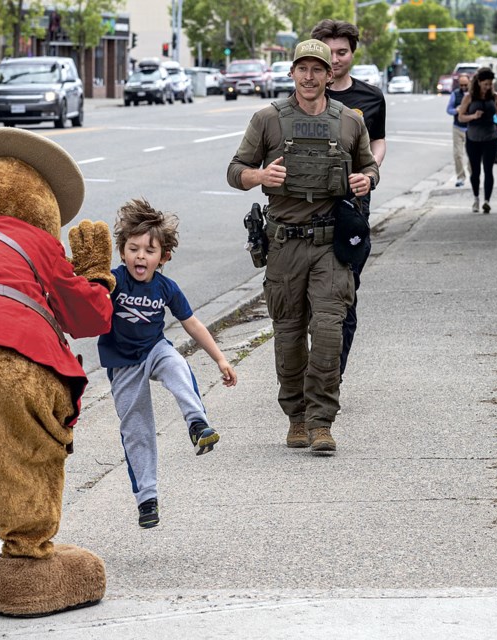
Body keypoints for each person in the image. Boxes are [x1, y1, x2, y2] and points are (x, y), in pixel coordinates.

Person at [226, 39, 378, 453]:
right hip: (284, 245)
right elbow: (234, 170)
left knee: (328, 332)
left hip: (330, 244)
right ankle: (295, 416)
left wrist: (367, 180)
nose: (309, 77)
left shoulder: (349, 121)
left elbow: (368, 166)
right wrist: (259, 178)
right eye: (301, 69)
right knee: (289, 336)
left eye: (317, 69)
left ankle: (322, 420)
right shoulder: (268, 120)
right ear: (291, 73)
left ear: (331, 75)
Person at [98, 198, 237, 528]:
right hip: (123, 364)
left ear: (164, 257)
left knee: (176, 365)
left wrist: (219, 359)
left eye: (149, 250)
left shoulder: (166, 288)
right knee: (136, 429)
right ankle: (147, 499)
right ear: (121, 252)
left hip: (153, 349)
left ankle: (197, 423)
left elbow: (193, 324)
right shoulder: (114, 281)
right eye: (133, 249)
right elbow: (88, 306)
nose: (140, 256)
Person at [310, 18, 386, 382]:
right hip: (306, 208)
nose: (336, 59)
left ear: (353, 54)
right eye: (330, 52)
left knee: (344, 293)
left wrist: (368, 174)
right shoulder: (303, 94)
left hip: (351, 207)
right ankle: (311, 367)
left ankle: (331, 375)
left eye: (343, 52)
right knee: (307, 298)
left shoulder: (370, 98)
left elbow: (378, 142)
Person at [457, 66, 497, 214]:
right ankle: (476, 198)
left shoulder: (494, 96)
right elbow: (460, 117)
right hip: (473, 137)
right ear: (479, 83)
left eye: (490, 84)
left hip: (490, 136)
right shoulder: (469, 97)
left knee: (488, 169)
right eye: (486, 84)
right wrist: (473, 116)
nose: (488, 87)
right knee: (475, 171)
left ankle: (487, 201)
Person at [447, 73, 472, 188]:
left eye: (465, 85)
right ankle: (460, 177)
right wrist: (456, 110)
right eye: (461, 85)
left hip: (471, 128)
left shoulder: (473, 94)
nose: (463, 87)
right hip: (457, 127)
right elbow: (449, 109)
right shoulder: (455, 94)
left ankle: (473, 176)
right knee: (457, 154)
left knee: (472, 154)